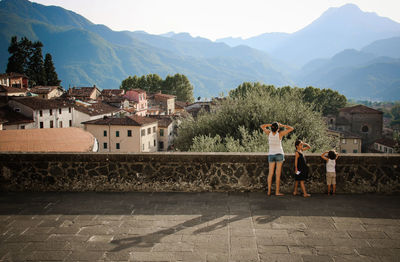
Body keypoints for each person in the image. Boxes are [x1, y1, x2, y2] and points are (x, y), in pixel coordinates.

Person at [260, 122, 294, 196]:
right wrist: (283, 125)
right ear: (278, 129)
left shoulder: (269, 133)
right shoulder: (280, 134)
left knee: (270, 173)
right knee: (277, 174)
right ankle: (277, 192)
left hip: (271, 154)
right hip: (279, 154)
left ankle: (269, 191)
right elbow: (291, 128)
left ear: (271, 128)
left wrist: (269, 125)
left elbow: (262, 126)